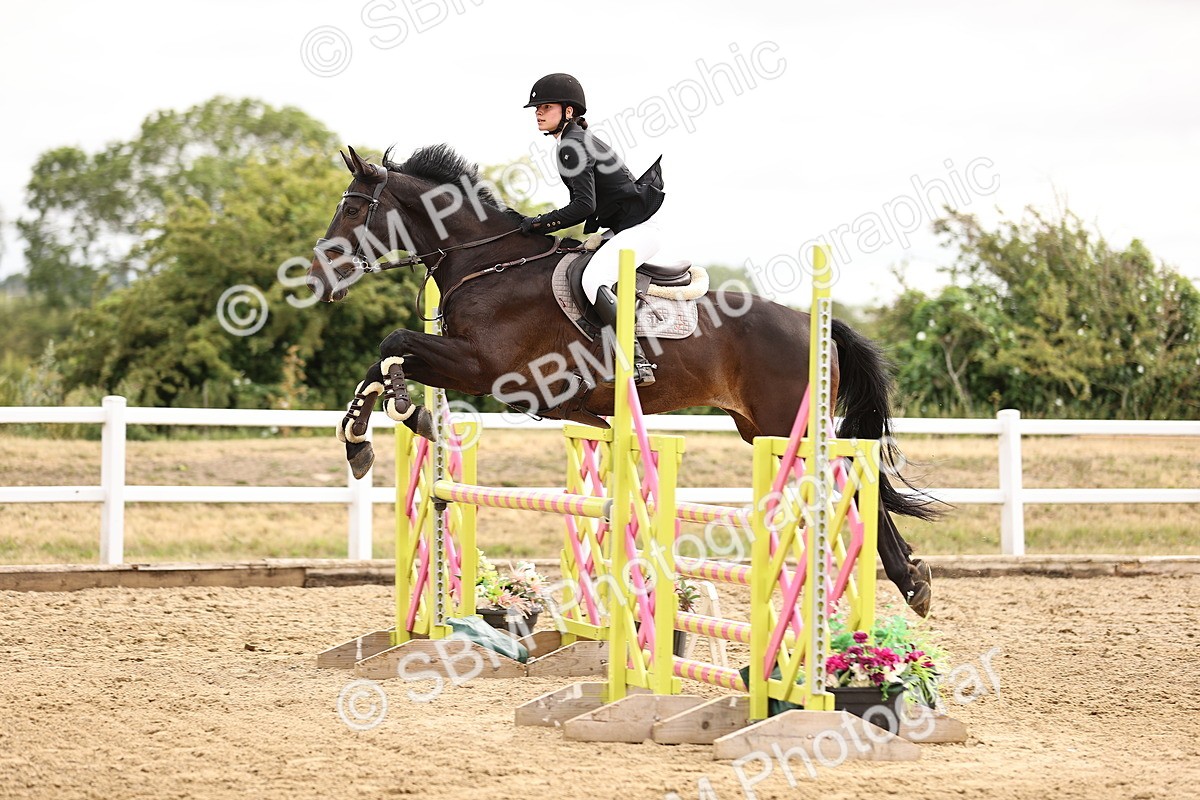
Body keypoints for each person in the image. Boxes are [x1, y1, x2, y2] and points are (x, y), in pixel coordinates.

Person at [518, 72, 665, 386]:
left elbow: (584, 206)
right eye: (537, 108)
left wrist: (538, 223)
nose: (538, 113)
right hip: (625, 229)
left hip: (639, 231)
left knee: (593, 279)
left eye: (546, 107)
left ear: (568, 111)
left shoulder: (572, 145)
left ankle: (636, 361)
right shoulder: (574, 141)